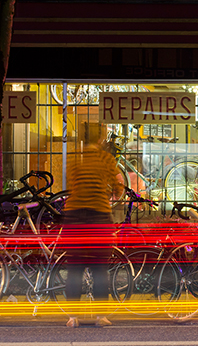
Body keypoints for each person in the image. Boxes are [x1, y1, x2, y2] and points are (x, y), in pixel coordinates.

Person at [64, 140, 123, 328]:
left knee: (74, 269)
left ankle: (73, 317)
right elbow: (118, 185)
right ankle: (101, 317)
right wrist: (113, 194)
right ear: (100, 143)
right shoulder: (106, 159)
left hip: (74, 217)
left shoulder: (75, 161)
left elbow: (71, 185)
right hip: (99, 216)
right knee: (100, 269)